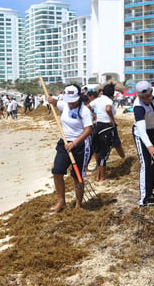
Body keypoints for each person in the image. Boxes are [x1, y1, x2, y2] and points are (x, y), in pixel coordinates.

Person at [47, 84, 93, 212]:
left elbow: (88, 130)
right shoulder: (65, 105)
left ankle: (79, 204)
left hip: (81, 145)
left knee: (77, 176)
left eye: (73, 101)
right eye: (69, 101)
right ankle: (61, 201)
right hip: (64, 142)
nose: (71, 104)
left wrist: (74, 143)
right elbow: (57, 103)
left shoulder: (84, 111)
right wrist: (52, 100)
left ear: (79, 97)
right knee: (57, 171)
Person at [88, 82, 118, 181]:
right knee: (103, 153)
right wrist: (112, 121)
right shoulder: (109, 100)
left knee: (97, 150)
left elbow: (87, 107)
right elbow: (108, 109)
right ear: (112, 93)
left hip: (98, 126)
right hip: (107, 126)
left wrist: (94, 116)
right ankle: (102, 177)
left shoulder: (98, 99)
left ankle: (98, 175)